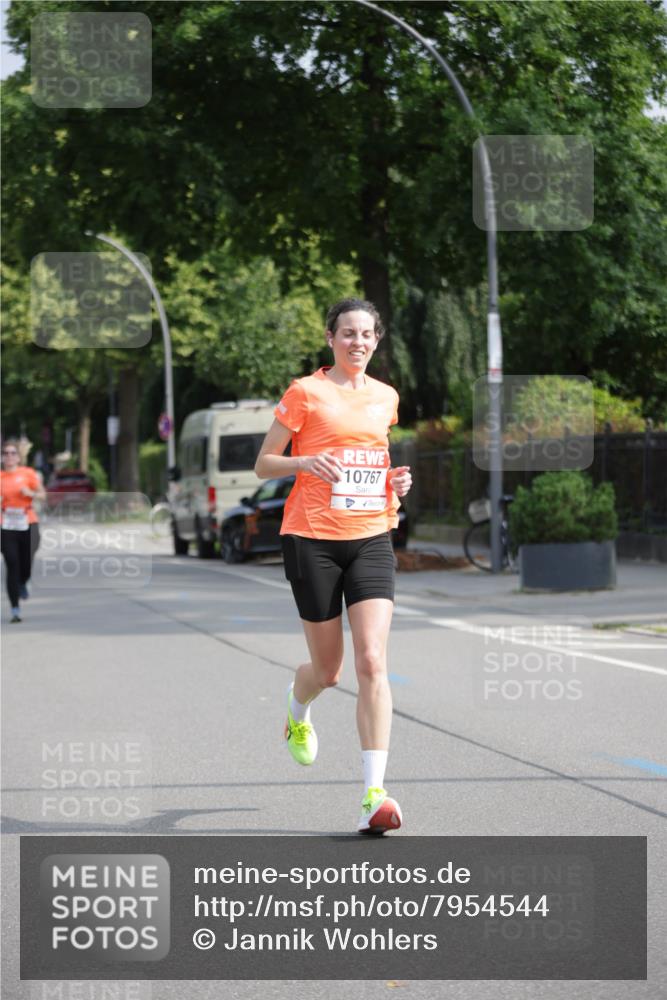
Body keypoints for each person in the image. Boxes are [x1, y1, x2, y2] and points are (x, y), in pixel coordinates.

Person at [255, 298, 412, 834]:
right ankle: (296, 711)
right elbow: (263, 464)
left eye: (367, 334)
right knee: (328, 671)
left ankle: (374, 794)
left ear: (376, 340)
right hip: (312, 539)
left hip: (371, 535)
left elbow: (375, 459)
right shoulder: (305, 392)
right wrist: (303, 461)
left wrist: (394, 483)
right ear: (330, 338)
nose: (358, 342)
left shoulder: (386, 397)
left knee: (372, 661)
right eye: (348, 333)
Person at [1, 439, 45, 622]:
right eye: (5, 453)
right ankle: (15, 609)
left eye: (13, 453)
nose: (9, 456)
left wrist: (31, 493)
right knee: (12, 562)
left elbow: (43, 495)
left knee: (26, 561)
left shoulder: (28, 473)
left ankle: (23, 581)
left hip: (28, 521)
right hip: (5, 523)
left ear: (19, 457)